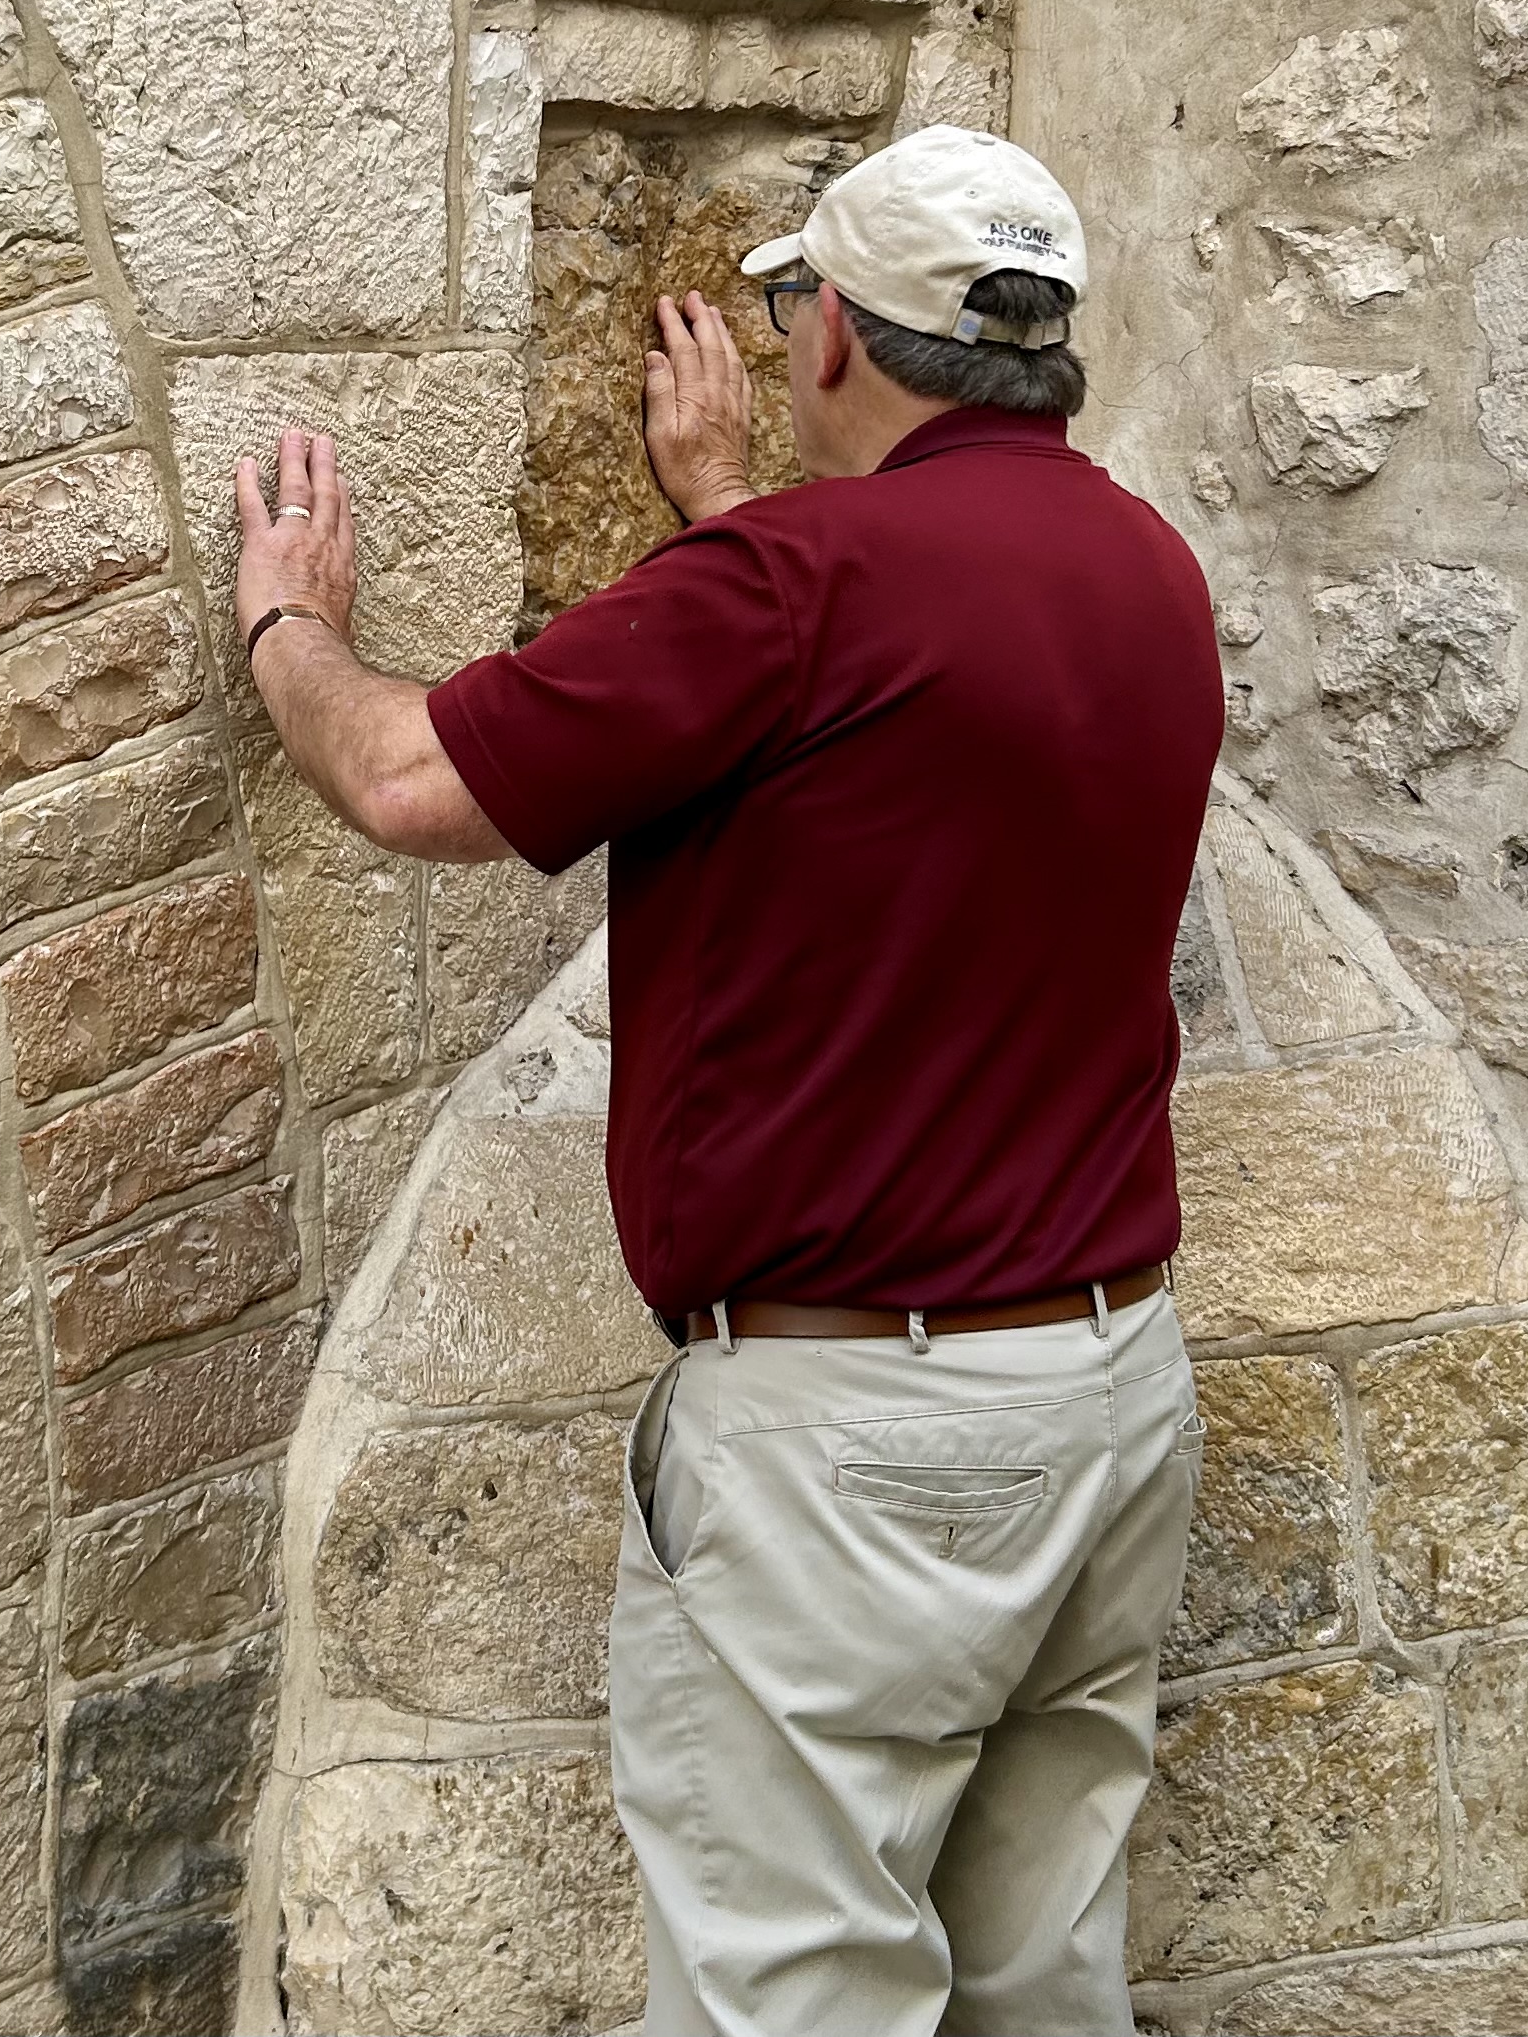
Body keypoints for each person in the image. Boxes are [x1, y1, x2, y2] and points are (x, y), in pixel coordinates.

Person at [231, 123, 1224, 2037]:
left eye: (792, 317)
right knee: (1041, 1981)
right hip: (1108, 1395)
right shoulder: (1146, 570)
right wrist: (724, 523)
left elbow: (406, 780)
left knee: (795, 1998)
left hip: (861, 1449)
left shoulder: (786, 583)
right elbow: (888, 729)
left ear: (832, 336)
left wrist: (294, 625)